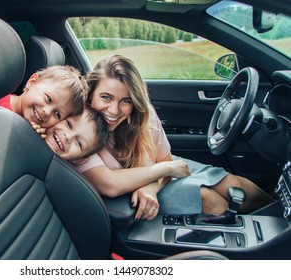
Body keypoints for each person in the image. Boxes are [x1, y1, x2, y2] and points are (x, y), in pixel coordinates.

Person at [74, 54, 274, 221]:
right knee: (207, 198)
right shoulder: (81, 130)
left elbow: (165, 159)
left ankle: (280, 220)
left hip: (160, 176)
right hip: (130, 193)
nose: (115, 110)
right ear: (91, 94)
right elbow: (110, 184)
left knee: (234, 185)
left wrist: (152, 185)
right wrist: (166, 170)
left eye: (126, 101)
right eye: (106, 97)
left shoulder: (142, 116)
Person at [0, 65, 87, 128]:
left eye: (57, 114)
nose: (47, 112)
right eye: (48, 99)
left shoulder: (35, 134)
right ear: (32, 82)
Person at [31, 105, 110, 162]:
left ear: (79, 160)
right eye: (69, 124)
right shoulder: (29, 127)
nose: (68, 136)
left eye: (79, 143)